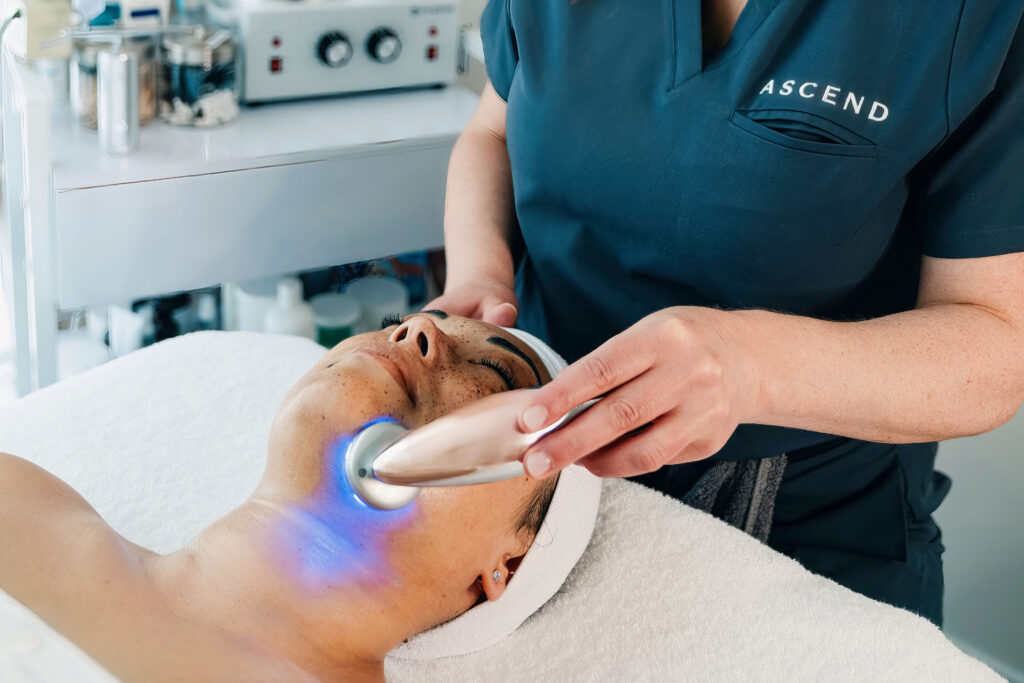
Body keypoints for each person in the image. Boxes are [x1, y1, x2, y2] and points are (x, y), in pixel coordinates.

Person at [427, 0, 1024, 625]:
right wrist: (480, 273)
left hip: (806, 535)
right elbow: (490, 132)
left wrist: (751, 367)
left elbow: (997, 345)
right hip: (536, 483)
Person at [0, 312, 559, 682]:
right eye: (397, 321)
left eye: (492, 371)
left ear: (512, 559)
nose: (416, 329)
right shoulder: (17, 503)